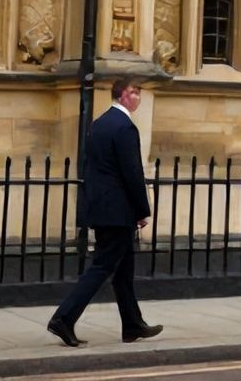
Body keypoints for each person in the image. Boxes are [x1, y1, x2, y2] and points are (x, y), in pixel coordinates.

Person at [48, 78, 162, 347]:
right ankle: (63, 318)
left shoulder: (99, 124)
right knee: (101, 266)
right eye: (135, 93)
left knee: (123, 270)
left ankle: (132, 324)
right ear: (123, 95)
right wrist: (141, 210)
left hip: (103, 207)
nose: (138, 98)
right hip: (118, 210)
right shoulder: (124, 127)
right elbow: (132, 173)